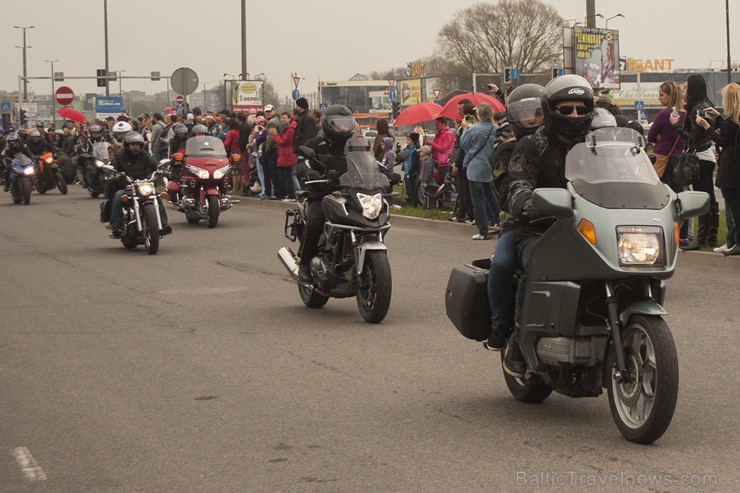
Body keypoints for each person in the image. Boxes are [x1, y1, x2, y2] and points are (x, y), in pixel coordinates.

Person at [500, 74, 595, 377]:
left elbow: (630, 174)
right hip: (542, 230)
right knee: (537, 262)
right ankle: (517, 338)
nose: (575, 116)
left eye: (581, 109)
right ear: (551, 110)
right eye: (566, 110)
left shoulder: (598, 144)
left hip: (591, 230)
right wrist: (526, 201)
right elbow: (515, 183)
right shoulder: (530, 146)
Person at [484, 83, 545, 351]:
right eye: (523, 113)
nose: (530, 119)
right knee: (502, 263)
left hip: (567, 221)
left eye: (536, 112)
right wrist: (525, 202)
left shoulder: (561, 145)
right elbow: (505, 190)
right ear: (512, 117)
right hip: (519, 223)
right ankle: (501, 326)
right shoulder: (506, 149)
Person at [295, 104, 357, 282]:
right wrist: (309, 172)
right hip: (322, 195)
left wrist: (385, 173)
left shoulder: (355, 144)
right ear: (327, 125)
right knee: (315, 222)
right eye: (338, 124)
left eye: (346, 124)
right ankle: (304, 265)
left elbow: (372, 162)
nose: (343, 128)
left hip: (349, 194)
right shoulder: (315, 144)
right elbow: (302, 161)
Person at [670, 74, 720, 250]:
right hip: (707, 155)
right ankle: (710, 237)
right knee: (710, 199)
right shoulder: (707, 105)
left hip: (699, 157)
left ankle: (701, 238)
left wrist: (675, 126)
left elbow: (692, 138)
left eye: (687, 87)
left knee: (702, 199)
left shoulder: (697, 109)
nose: (685, 90)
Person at [697, 83, 740, 255]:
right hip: (736, 170)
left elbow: (722, 140)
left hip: (730, 170)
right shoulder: (735, 120)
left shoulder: (732, 122)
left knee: (735, 210)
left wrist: (706, 127)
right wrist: (719, 117)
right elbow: (729, 131)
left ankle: (737, 242)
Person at [108, 132, 171, 238]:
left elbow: (153, 163)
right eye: (133, 145)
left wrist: (161, 169)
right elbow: (114, 165)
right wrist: (112, 173)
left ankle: (164, 223)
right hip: (126, 185)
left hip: (143, 184)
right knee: (118, 196)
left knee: (157, 194)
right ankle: (116, 226)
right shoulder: (120, 155)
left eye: (137, 145)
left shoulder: (144, 154)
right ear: (127, 145)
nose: (135, 147)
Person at [459, 102, 500, 240]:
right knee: (490, 194)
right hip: (489, 166)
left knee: (477, 200)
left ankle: (483, 231)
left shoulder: (474, 129)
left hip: (475, 168)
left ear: (479, 114)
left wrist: (465, 128)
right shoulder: (495, 128)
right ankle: (500, 221)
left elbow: (464, 145)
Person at [448, 99, 476, 223]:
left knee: (465, 190)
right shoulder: (464, 122)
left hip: (464, 161)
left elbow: (463, 146)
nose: (458, 112)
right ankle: (461, 213)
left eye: (460, 109)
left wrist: (457, 164)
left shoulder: (468, 121)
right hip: (463, 161)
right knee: (463, 190)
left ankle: (470, 215)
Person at [270, 111, 297, 200]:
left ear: (289, 118)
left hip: (287, 155)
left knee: (288, 177)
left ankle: (292, 195)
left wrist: (275, 135)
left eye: (284, 117)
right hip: (283, 155)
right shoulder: (286, 128)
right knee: (283, 176)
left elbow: (283, 142)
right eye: (281, 118)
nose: (282, 120)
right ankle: (287, 194)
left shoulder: (290, 130)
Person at [428, 117, 455, 186]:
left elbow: (443, 149)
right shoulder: (439, 134)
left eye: (437, 124)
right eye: (435, 124)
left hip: (445, 163)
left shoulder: (448, 134)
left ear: (443, 124)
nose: (436, 126)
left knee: (444, 184)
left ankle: (447, 197)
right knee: (439, 183)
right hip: (438, 162)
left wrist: (432, 143)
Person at [402, 131, 421, 207]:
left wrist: (410, 172)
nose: (407, 141)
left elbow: (415, 164)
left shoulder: (414, 151)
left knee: (411, 189)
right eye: (407, 139)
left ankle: (414, 204)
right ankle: (409, 201)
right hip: (407, 171)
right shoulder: (407, 149)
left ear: (413, 141)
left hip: (411, 173)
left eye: (409, 139)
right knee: (408, 189)